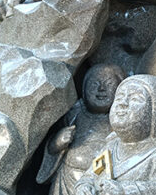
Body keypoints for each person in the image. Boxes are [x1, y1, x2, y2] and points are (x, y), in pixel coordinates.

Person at [74, 75, 156, 195]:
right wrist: (84, 186)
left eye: (135, 99)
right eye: (119, 98)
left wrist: (125, 189)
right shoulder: (111, 146)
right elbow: (91, 175)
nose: (122, 104)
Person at [38, 64, 126, 195]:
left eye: (109, 84)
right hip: (69, 180)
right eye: (94, 84)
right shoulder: (74, 115)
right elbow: (50, 150)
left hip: (105, 183)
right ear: (84, 89)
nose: (101, 89)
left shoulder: (123, 119)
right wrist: (57, 142)